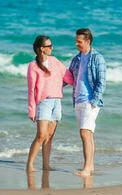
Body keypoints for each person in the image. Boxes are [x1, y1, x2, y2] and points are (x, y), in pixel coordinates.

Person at [26, 35, 73, 172]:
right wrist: (32, 110)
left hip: (57, 102)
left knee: (49, 136)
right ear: (42, 49)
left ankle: (46, 165)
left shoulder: (55, 61)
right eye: (49, 46)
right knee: (41, 135)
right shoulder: (33, 66)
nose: (52, 48)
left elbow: (68, 77)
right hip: (43, 103)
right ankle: (30, 165)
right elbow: (31, 90)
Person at [69, 28, 106, 176]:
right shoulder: (76, 59)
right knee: (88, 134)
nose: (76, 43)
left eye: (79, 41)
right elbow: (68, 77)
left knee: (85, 133)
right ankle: (90, 167)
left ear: (88, 41)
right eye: (76, 41)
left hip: (90, 102)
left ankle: (86, 168)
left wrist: (94, 101)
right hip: (78, 101)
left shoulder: (98, 58)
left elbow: (101, 82)